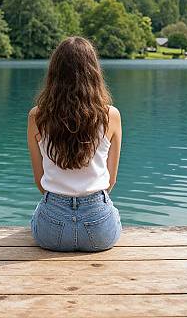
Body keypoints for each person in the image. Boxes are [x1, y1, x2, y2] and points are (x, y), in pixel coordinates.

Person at [27, 36, 122, 252]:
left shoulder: (37, 117)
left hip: (51, 230)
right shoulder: (111, 116)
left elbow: (39, 181)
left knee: (36, 214)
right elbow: (111, 180)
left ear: (54, 73)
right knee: (114, 215)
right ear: (94, 72)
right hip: (98, 228)